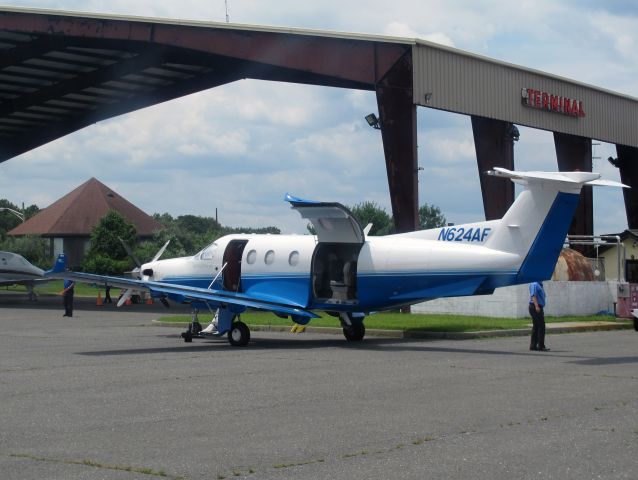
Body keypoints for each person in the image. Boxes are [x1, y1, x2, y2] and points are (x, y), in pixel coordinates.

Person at [529, 281, 549, 351]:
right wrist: (537, 306)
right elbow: (533, 295)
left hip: (537, 306)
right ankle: (541, 346)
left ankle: (533, 346)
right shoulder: (534, 284)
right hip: (535, 307)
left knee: (536, 326)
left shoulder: (539, 284)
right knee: (541, 326)